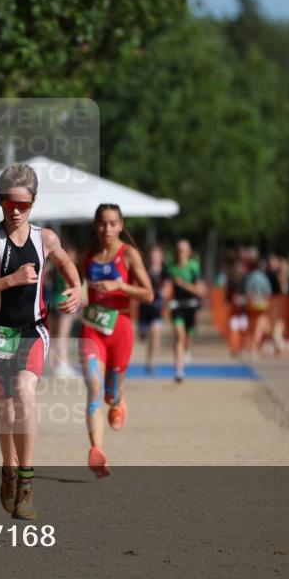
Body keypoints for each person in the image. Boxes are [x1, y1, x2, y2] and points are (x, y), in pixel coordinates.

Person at [0, 164, 80, 520]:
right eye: (9, 203)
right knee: (5, 411)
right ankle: (8, 469)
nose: (16, 211)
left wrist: (77, 288)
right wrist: (9, 280)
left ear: (34, 203)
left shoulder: (45, 239)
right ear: (0, 202)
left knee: (25, 395)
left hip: (33, 330)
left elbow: (65, 262)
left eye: (23, 205)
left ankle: (26, 484)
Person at [78, 204, 154, 478]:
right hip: (93, 328)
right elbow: (73, 285)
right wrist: (70, 296)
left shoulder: (129, 254)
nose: (106, 229)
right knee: (94, 387)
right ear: (95, 226)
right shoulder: (87, 256)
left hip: (120, 326)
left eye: (112, 224)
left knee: (109, 392)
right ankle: (96, 449)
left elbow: (149, 294)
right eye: (102, 224)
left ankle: (118, 400)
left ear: (121, 225)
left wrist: (120, 285)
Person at [164, 239, 205, 383]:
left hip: (192, 305)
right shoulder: (171, 268)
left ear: (189, 252)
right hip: (177, 306)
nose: (180, 253)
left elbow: (200, 291)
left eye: (183, 250)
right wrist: (164, 293)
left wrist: (185, 285)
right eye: (178, 250)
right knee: (179, 336)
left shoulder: (194, 267)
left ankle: (187, 350)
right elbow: (167, 287)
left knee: (188, 337)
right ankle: (179, 370)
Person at [49, 241, 82, 377]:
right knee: (63, 335)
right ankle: (62, 364)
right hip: (65, 302)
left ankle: (57, 364)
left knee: (56, 335)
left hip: (54, 302)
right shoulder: (69, 269)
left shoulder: (55, 269)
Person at [137, 244, 167, 374]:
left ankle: (151, 361)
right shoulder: (144, 270)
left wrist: (162, 293)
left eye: (157, 254)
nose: (155, 257)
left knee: (155, 334)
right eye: (153, 254)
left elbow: (168, 287)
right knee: (143, 336)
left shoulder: (165, 272)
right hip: (144, 308)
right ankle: (148, 354)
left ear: (161, 256)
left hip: (157, 309)